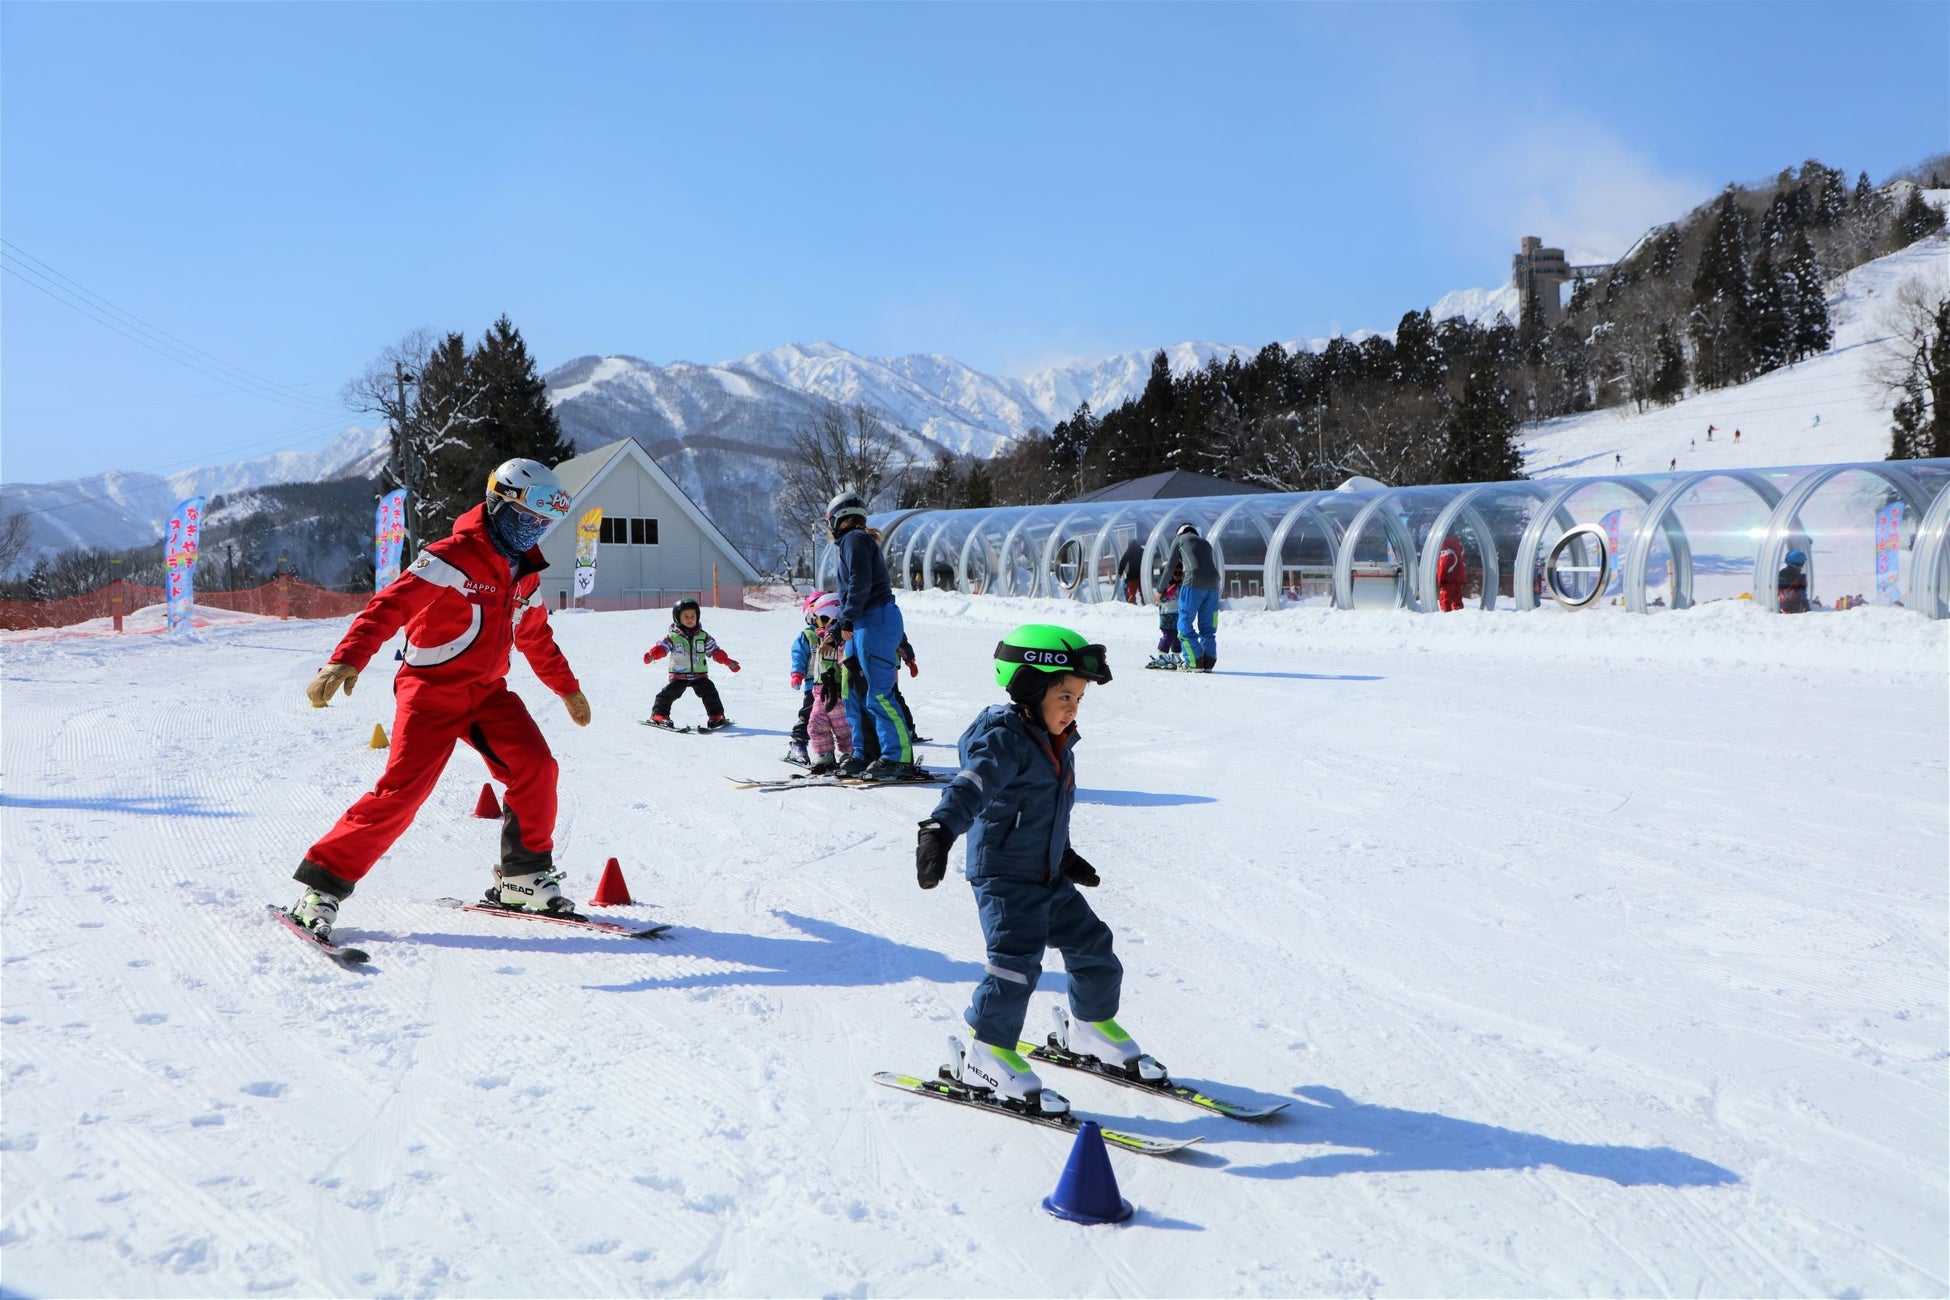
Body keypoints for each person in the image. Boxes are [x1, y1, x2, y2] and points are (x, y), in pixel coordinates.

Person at [287, 458, 590, 940]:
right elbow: (391, 605)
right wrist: (348, 658)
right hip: (429, 693)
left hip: (488, 695)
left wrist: (567, 688)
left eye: (542, 524)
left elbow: (536, 637)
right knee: (402, 793)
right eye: (524, 519)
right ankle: (320, 889)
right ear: (496, 506)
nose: (532, 532)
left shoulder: (526, 575)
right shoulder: (452, 557)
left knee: (536, 765)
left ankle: (523, 878)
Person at [914, 624, 1157, 1113]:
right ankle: (985, 1054)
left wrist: (1063, 855)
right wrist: (939, 830)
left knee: (1095, 946)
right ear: (1028, 688)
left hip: (1047, 874)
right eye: (1065, 694)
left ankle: (1090, 1028)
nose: (1072, 707)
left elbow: (1043, 812)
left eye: (1079, 699)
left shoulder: (1056, 742)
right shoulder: (1003, 740)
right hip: (1004, 878)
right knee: (1015, 966)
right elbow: (971, 786)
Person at [827, 489, 920, 779]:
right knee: (853, 692)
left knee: (879, 693)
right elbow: (852, 592)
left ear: (836, 518)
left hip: (873, 620)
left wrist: (847, 620)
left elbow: (861, 583)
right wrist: (836, 626)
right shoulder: (853, 541)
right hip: (863, 622)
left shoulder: (854, 539)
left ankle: (898, 758)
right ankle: (865, 751)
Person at [644, 598, 740, 728]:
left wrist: (728, 662)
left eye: (693, 616)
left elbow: (715, 651)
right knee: (667, 694)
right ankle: (659, 715)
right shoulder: (673, 637)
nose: (690, 619)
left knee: (710, 692)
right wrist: (653, 654)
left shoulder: (703, 636)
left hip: (699, 675)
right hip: (679, 674)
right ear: (677, 618)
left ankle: (716, 716)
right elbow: (663, 647)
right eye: (686, 616)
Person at [803, 597, 854, 773]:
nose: (818, 624)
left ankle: (851, 754)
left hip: (838, 695)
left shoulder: (840, 642)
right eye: (816, 619)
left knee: (844, 729)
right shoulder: (821, 640)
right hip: (819, 693)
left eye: (821, 619)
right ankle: (824, 756)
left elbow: (846, 665)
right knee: (816, 725)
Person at [1168, 523, 1221, 671]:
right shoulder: (1206, 544)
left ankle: (1194, 661)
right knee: (1209, 627)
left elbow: (1170, 566)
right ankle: (1209, 662)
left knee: (1184, 624)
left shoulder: (1179, 540)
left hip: (1192, 584)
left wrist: (1160, 589)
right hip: (1214, 586)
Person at [784, 590, 826, 766]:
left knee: (839, 720)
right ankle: (798, 744)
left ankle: (839, 752)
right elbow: (799, 656)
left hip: (836, 685)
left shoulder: (837, 633)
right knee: (808, 715)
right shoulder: (807, 635)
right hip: (813, 685)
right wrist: (797, 674)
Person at [1151, 569, 1184, 668]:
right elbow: (1160, 599)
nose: (1178, 576)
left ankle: (1176, 656)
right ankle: (1162, 656)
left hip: (1178, 615)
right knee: (1169, 636)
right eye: (1175, 573)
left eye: (1180, 574)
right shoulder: (1164, 586)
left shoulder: (1181, 586)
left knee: (1178, 637)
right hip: (1167, 616)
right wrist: (1167, 594)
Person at [1434, 535, 1468, 612]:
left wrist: (1440, 581)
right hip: (1458, 580)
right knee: (1457, 601)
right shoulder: (1458, 550)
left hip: (1448, 581)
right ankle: (1459, 617)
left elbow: (1442, 569)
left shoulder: (1446, 552)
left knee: (1445, 600)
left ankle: (1446, 619)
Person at [1778, 548, 1810, 614]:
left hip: (1782, 605)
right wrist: (1807, 607)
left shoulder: (1780, 574)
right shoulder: (1800, 577)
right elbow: (1802, 594)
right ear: (1798, 564)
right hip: (1795, 607)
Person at [1114, 538, 1145, 604]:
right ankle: (1145, 602)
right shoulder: (1142, 551)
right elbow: (1148, 562)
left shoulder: (1129, 551)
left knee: (1131, 592)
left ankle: (1132, 604)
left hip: (1132, 576)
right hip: (1141, 575)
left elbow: (1123, 562)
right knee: (1143, 592)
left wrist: (1120, 573)